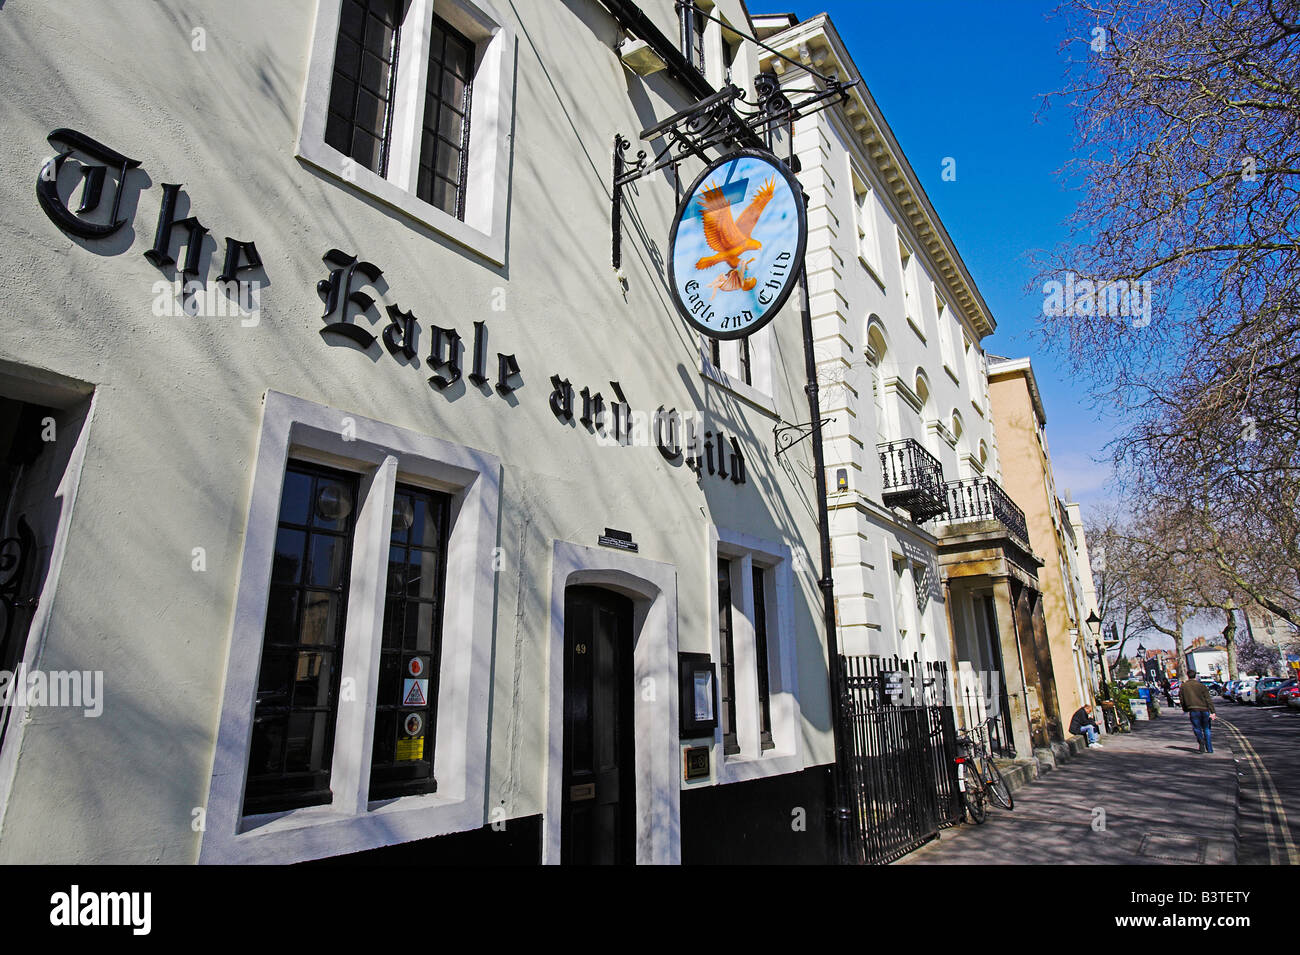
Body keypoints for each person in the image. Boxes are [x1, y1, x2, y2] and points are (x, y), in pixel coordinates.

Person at [1180, 675, 1217, 753]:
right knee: (1207, 729)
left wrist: (1185, 708)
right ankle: (1209, 749)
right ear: (1195, 676)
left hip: (1193, 709)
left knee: (1197, 728)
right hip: (1204, 709)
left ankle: (1200, 740)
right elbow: (1208, 699)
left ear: (1188, 676)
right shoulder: (1202, 686)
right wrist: (1212, 711)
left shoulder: (1184, 686)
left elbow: (1182, 699)